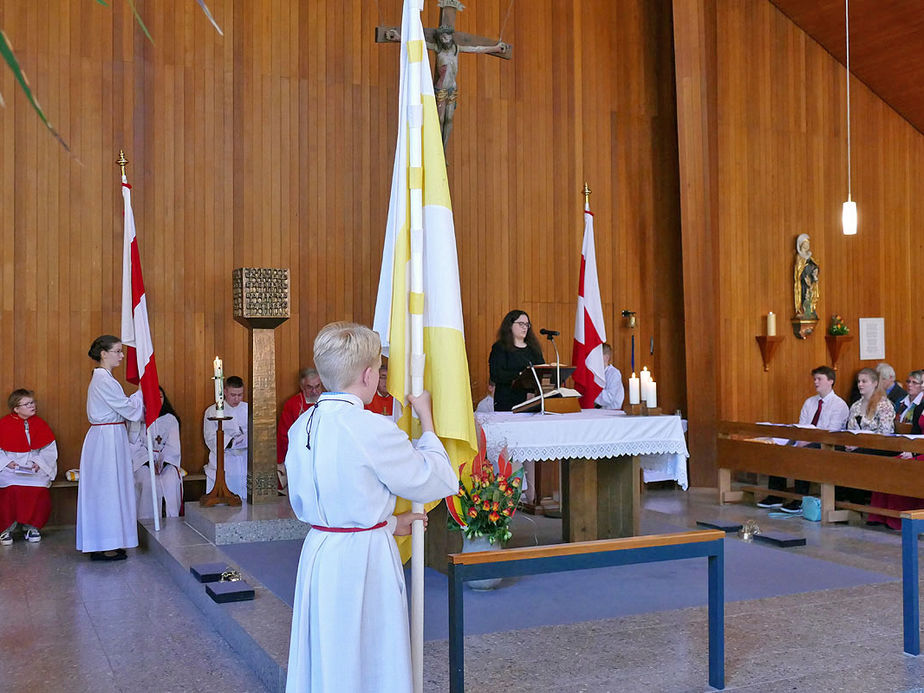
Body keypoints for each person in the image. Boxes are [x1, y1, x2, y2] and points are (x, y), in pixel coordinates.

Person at [284, 322, 457, 692]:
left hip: (319, 550)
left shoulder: (301, 425)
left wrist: (389, 522)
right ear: (368, 375)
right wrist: (426, 418)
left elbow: (333, 495)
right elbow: (434, 478)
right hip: (362, 559)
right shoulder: (368, 427)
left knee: (330, 655)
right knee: (368, 654)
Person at [76, 335, 145, 561]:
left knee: (110, 489)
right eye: (117, 351)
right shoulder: (103, 380)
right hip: (106, 439)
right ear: (103, 353)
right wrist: (143, 392)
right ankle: (104, 544)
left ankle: (109, 541)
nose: (122, 356)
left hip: (110, 435)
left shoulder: (106, 378)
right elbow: (127, 408)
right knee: (106, 490)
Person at [757, 366, 849, 512]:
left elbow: (832, 432)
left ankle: (800, 499)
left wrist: (808, 440)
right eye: (815, 379)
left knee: (804, 452)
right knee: (777, 447)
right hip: (805, 438)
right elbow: (802, 425)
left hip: (827, 444)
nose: (816, 382)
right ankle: (775, 495)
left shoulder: (839, 404)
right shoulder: (810, 402)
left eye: (820, 379)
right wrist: (799, 438)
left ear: (830, 381)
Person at [0, 389, 57, 545]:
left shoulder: (40, 424)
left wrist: (38, 463)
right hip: (10, 467)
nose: (32, 406)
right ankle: (6, 529)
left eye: (32, 402)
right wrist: (7, 462)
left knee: (39, 487)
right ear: (16, 409)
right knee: (10, 487)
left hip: (34, 467)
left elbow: (49, 450)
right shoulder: (3, 424)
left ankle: (32, 527)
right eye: (27, 404)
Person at [841, 368, 895, 505]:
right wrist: (849, 443)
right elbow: (851, 430)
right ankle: (840, 500)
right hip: (858, 445)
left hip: (881, 446)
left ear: (875, 383)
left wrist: (859, 444)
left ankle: (857, 503)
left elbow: (885, 433)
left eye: (864, 381)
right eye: (859, 381)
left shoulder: (883, 405)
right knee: (836, 453)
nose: (860, 384)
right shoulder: (855, 406)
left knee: (855, 457)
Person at [131, 387, 182, 520]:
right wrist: (148, 463)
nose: (158, 400)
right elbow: (134, 445)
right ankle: (146, 521)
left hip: (164, 461)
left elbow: (173, 445)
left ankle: (172, 517)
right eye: (154, 397)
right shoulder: (137, 420)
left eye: (161, 397)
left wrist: (163, 463)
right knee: (148, 481)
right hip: (142, 463)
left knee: (170, 479)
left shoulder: (170, 419)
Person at [277, 368, 325, 493]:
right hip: (301, 456)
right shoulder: (293, 405)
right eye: (309, 387)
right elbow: (284, 435)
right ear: (302, 387)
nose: (314, 391)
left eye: (317, 386)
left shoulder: (327, 402)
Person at [489, 310, 544, 411]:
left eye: (527, 324)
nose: (525, 327)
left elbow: (542, 372)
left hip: (532, 402)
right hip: (507, 402)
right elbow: (496, 374)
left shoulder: (534, 349)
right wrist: (521, 374)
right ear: (510, 325)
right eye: (521, 324)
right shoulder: (500, 348)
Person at [203, 376, 248, 499]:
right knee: (223, 503)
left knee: (244, 500)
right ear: (225, 392)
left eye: (240, 395)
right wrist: (232, 442)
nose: (237, 399)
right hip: (225, 459)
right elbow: (210, 437)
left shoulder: (248, 409)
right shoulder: (212, 411)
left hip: (244, 460)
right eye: (233, 395)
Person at [594, 343, 625, 410]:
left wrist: (591, 393)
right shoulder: (593, 373)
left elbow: (608, 398)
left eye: (597, 356)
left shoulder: (614, 374)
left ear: (606, 357)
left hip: (611, 413)